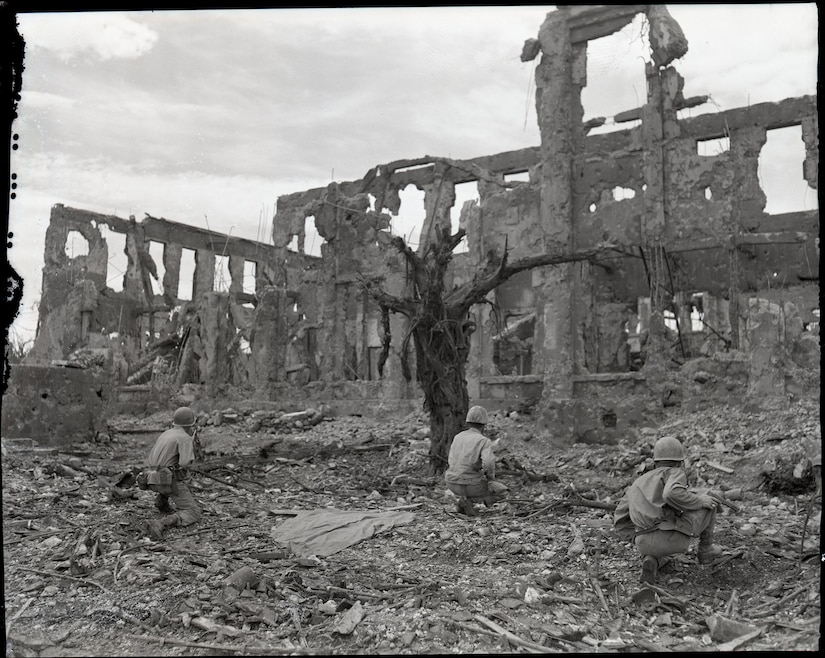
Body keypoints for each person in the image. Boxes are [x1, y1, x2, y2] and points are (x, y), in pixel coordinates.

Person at [613, 435, 724, 584]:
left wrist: (636, 538)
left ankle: (651, 560)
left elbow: (619, 518)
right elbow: (671, 493)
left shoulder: (638, 482)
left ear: (655, 461)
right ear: (680, 462)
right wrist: (699, 501)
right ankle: (706, 550)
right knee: (711, 501)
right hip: (671, 540)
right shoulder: (674, 472)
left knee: (660, 553)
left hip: (642, 542)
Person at [137, 406, 202, 540]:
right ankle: (162, 523)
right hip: (167, 482)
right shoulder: (184, 437)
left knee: (172, 472)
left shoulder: (166, 433)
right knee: (194, 512)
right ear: (191, 425)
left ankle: (162, 502)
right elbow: (185, 464)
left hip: (150, 479)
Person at [444, 405, 508, 516]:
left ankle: (462, 503)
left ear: (468, 422)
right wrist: (490, 477)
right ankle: (470, 502)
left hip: (450, 482)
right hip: (471, 486)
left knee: (473, 482)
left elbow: (451, 460)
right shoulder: (483, 441)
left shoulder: (458, 437)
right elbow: (488, 463)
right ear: (484, 425)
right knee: (502, 491)